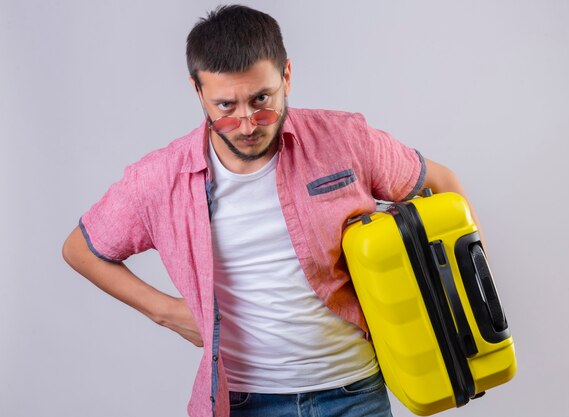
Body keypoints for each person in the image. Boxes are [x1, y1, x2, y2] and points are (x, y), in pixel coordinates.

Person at [62, 5, 482, 417]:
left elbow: (440, 183)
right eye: (225, 107)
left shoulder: (345, 139)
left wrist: (468, 294)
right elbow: (80, 249)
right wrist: (166, 311)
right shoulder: (161, 178)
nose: (247, 124)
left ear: (286, 76)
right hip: (246, 402)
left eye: (262, 99)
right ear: (198, 91)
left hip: (355, 393)